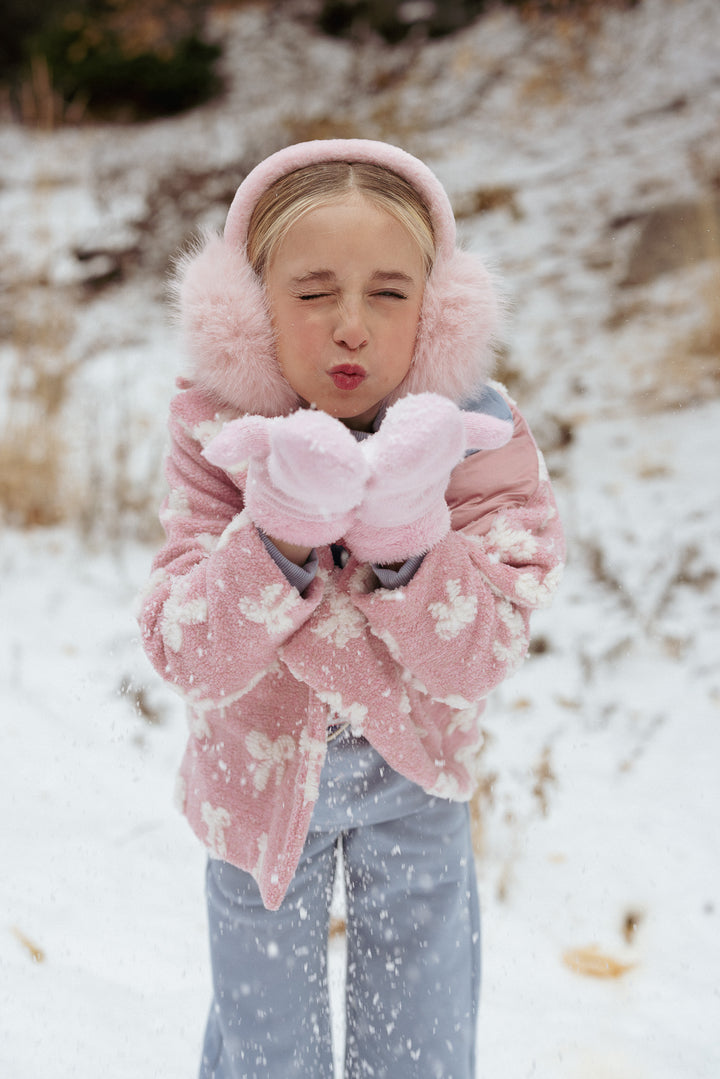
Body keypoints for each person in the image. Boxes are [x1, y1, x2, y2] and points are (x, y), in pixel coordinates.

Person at [138, 138, 564, 1079]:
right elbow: (187, 648)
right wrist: (278, 534)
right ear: (249, 313)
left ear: (439, 312)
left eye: (388, 292)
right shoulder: (218, 434)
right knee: (266, 1049)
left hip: (418, 782)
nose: (351, 328)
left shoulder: (476, 435)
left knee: (421, 1039)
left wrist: (412, 540)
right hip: (254, 789)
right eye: (314, 290)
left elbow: (483, 651)